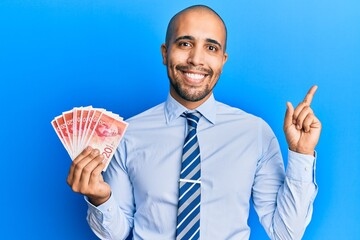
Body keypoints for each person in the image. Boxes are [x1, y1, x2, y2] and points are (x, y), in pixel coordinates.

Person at [66, 4, 321, 240]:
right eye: (185, 44)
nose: (196, 59)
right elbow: (117, 234)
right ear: (165, 53)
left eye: (211, 48)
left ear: (223, 60)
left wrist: (301, 154)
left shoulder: (256, 133)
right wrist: (99, 198)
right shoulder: (128, 135)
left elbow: (286, 233)